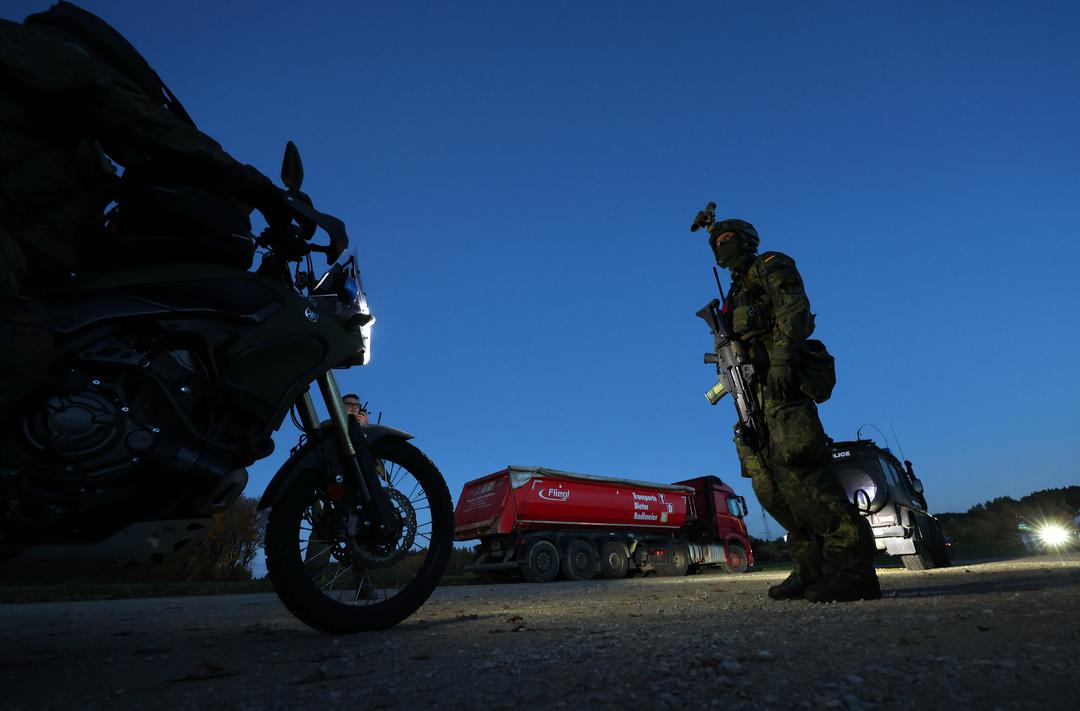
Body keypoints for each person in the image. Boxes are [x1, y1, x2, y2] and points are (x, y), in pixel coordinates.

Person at [0, 2, 285, 422]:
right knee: (18, 342)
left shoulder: (89, 163)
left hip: (33, 270)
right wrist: (253, 185)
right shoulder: (28, 48)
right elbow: (119, 107)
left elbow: (81, 239)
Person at [704, 216, 880, 603]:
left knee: (806, 480)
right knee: (772, 490)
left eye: (729, 237)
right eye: (717, 243)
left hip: (781, 391)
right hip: (753, 400)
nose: (722, 245)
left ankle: (854, 571)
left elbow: (795, 312)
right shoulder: (733, 293)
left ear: (748, 239)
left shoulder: (770, 265)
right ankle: (809, 569)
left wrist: (781, 358)